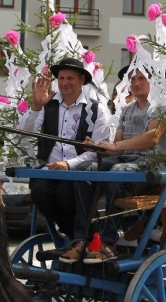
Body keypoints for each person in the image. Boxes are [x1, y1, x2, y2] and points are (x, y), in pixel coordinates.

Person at [66, 67, 166, 263]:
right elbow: (117, 149)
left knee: (119, 171)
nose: (135, 83)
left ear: (155, 82)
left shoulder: (164, 105)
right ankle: (83, 238)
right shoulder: (127, 109)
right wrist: (99, 147)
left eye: (142, 78)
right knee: (83, 169)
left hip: (155, 164)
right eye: (132, 79)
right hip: (128, 160)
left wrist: (115, 145)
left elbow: (152, 138)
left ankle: (108, 241)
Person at [18, 57, 111, 253]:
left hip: (79, 172)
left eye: (70, 78)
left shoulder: (97, 110)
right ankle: (77, 236)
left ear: (82, 81)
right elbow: (25, 131)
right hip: (50, 170)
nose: (65, 83)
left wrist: (70, 164)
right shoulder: (47, 104)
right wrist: (35, 106)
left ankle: (81, 237)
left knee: (64, 192)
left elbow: (97, 152)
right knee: (39, 192)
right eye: (61, 78)